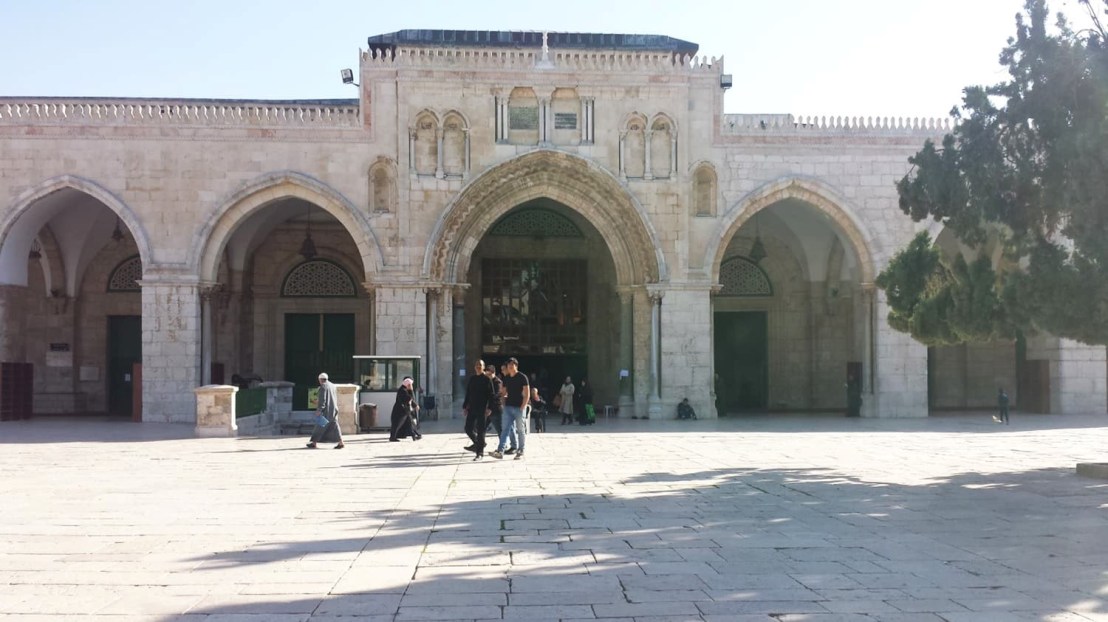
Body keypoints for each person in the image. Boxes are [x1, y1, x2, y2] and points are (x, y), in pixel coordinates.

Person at [490, 357, 529, 460]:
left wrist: (523, 406)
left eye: (512, 365)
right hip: (508, 407)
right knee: (505, 430)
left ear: (516, 366)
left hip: (519, 407)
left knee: (520, 430)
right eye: (509, 365)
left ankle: (520, 450)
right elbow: (504, 392)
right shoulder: (507, 378)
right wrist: (503, 403)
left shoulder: (522, 377)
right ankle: (500, 451)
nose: (510, 367)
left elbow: (527, 393)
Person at [462, 360, 495, 460]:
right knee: (468, 428)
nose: (478, 367)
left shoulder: (487, 379)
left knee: (481, 430)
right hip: (472, 408)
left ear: (483, 367)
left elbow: (491, 395)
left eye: (480, 365)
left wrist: (490, 408)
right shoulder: (472, 379)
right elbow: (468, 393)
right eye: (476, 365)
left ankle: (479, 453)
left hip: (482, 408)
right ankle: (479, 443)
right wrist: (465, 407)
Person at [306, 372, 344, 449]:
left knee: (319, 425)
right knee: (334, 426)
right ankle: (341, 442)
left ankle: (314, 443)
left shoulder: (323, 386)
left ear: (320, 379)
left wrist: (319, 410)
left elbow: (323, 400)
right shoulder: (332, 385)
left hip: (326, 411)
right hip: (333, 409)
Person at [388, 376, 422, 442]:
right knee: (397, 424)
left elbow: (411, 400)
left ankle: (415, 435)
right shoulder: (402, 390)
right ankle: (392, 437)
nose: (411, 386)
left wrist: (415, 405)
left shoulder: (405, 390)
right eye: (410, 384)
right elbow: (408, 399)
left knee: (410, 423)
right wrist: (411, 391)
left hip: (405, 411)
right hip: (399, 411)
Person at [484, 365, 504, 438]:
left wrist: (489, 408)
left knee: (499, 429)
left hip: (495, 409)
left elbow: (495, 396)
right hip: (488, 409)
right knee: (481, 428)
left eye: (489, 374)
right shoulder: (487, 381)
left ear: (494, 373)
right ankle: (480, 444)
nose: (488, 376)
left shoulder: (497, 382)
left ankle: (502, 447)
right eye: (486, 375)